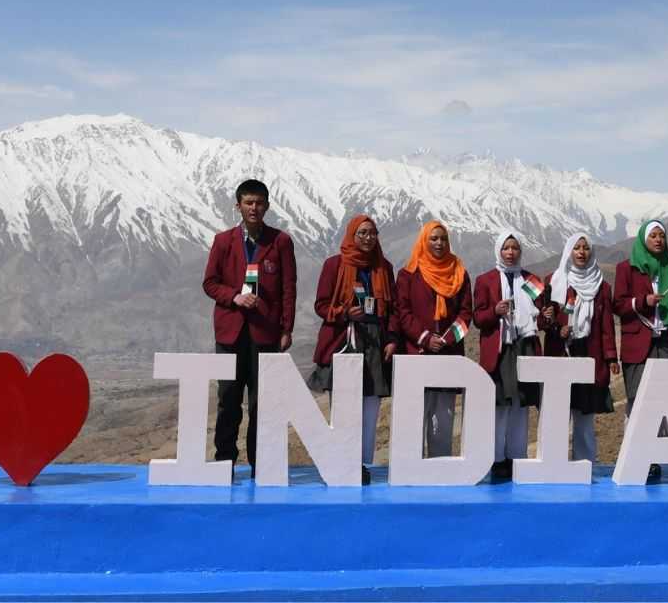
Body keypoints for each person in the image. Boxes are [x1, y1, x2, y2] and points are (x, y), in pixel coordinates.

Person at [201, 178, 297, 477]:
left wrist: (286, 329)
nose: (254, 208)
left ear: (267, 205)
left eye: (259, 203)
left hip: (265, 333)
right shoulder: (223, 241)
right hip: (230, 333)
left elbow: (288, 289)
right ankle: (224, 462)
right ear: (238, 205)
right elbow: (209, 283)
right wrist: (234, 297)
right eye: (248, 203)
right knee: (228, 399)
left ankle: (261, 463)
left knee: (262, 403)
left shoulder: (280, 241)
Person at [308, 214, 400, 484]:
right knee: (344, 403)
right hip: (344, 338)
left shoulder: (384, 267)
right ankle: (340, 459)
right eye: (362, 233)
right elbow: (321, 305)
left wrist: (392, 338)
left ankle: (359, 462)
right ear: (351, 235)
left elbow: (393, 309)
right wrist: (344, 312)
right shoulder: (334, 265)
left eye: (372, 233)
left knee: (370, 404)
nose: (368, 238)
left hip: (376, 341)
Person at [614, 219, 668, 483]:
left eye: (662, 236)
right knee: (638, 403)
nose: (659, 240)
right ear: (643, 240)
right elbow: (618, 304)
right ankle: (636, 458)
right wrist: (643, 301)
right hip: (638, 345)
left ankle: (658, 459)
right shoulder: (627, 269)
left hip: (665, 343)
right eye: (653, 236)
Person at [538, 233, 618, 463]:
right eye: (577, 248)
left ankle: (585, 463)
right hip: (561, 352)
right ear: (569, 252)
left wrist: (611, 357)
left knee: (584, 415)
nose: (582, 252)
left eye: (585, 248)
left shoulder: (602, 286)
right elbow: (542, 321)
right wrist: (556, 327)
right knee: (558, 413)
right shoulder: (554, 281)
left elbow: (606, 326)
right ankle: (554, 464)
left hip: (589, 353)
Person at [395, 220, 473, 458]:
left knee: (444, 416)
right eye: (434, 238)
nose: (439, 243)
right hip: (417, 353)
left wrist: (447, 339)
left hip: (448, 355)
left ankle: (440, 468)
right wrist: (426, 338)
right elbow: (403, 312)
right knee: (416, 413)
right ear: (424, 240)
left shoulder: (459, 272)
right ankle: (412, 468)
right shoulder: (408, 274)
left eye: (443, 239)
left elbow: (465, 312)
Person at [472, 232, 543, 481]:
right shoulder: (485, 280)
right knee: (499, 406)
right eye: (506, 248)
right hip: (499, 350)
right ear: (498, 251)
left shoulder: (531, 280)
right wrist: (494, 310)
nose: (511, 253)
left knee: (520, 407)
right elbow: (478, 319)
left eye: (515, 248)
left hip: (524, 347)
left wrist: (548, 316)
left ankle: (516, 457)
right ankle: (497, 459)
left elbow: (541, 315)